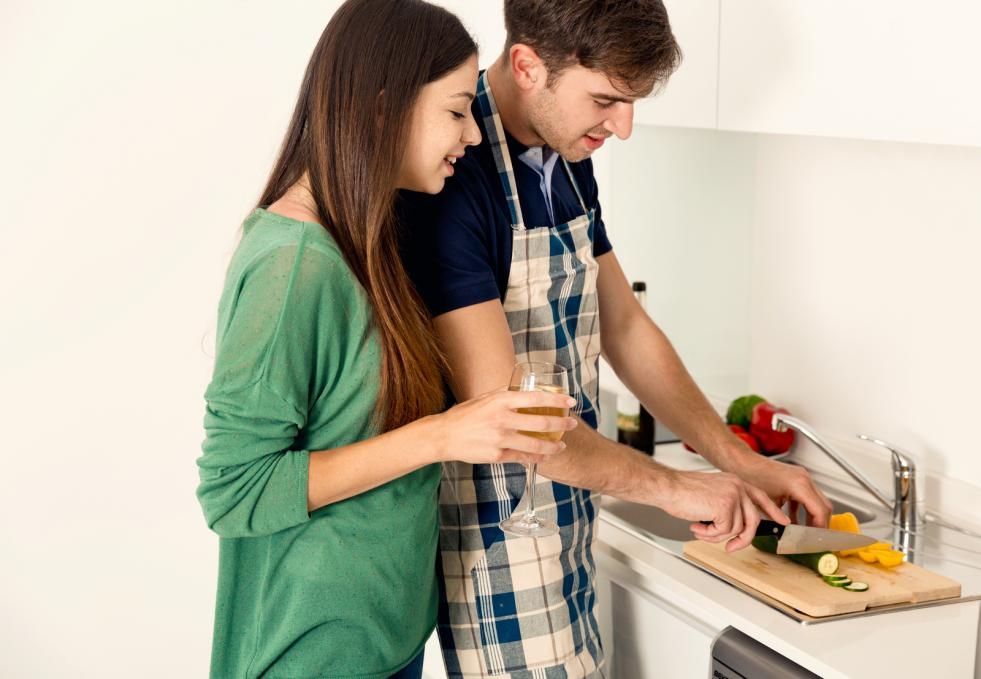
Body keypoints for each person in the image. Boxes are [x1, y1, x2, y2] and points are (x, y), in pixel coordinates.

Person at [398, 1, 835, 676]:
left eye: (631, 102)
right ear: (527, 65)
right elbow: (508, 412)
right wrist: (675, 489)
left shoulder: (564, 150)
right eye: (605, 99)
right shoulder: (457, 177)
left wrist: (734, 456)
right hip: (499, 529)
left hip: (572, 501)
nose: (622, 126)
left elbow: (624, 325)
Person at [195, 2, 580, 677]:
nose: (469, 136)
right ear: (383, 108)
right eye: (456, 111)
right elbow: (234, 491)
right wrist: (442, 434)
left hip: (382, 639)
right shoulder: (293, 265)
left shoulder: (368, 242)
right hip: (317, 652)